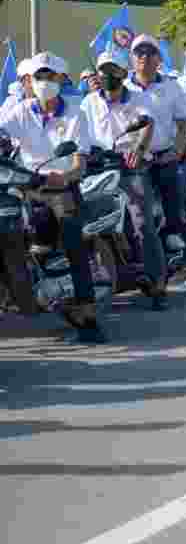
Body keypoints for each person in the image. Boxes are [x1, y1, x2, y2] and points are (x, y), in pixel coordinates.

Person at [0, 52, 105, 342]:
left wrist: (67, 176)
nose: (43, 82)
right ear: (29, 82)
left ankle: (88, 316)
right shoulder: (20, 111)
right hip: (26, 185)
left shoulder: (75, 112)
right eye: (38, 77)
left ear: (60, 79)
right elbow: (2, 134)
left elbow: (79, 162)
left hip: (61, 189)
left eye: (49, 76)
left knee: (74, 241)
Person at [81, 50, 169, 311]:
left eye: (114, 70)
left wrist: (139, 149)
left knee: (142, 221)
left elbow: (147, 125)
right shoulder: (88, 102)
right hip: (97, 165)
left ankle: (157, 284)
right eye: (103, 70)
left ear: (123, 73)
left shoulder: (139, 98)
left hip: (129, 165)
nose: (108, 75)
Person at [123, 35, 186, 257]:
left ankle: (173, 237)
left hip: (164, 157)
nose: (144, 57)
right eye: (139, 52)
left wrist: (177, 152)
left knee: (173, 198)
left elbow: (184, 124)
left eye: (150, 52)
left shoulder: (171, 87)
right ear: (132, 58)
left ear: (159, 58)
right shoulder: (123, 88)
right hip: (130, 159)